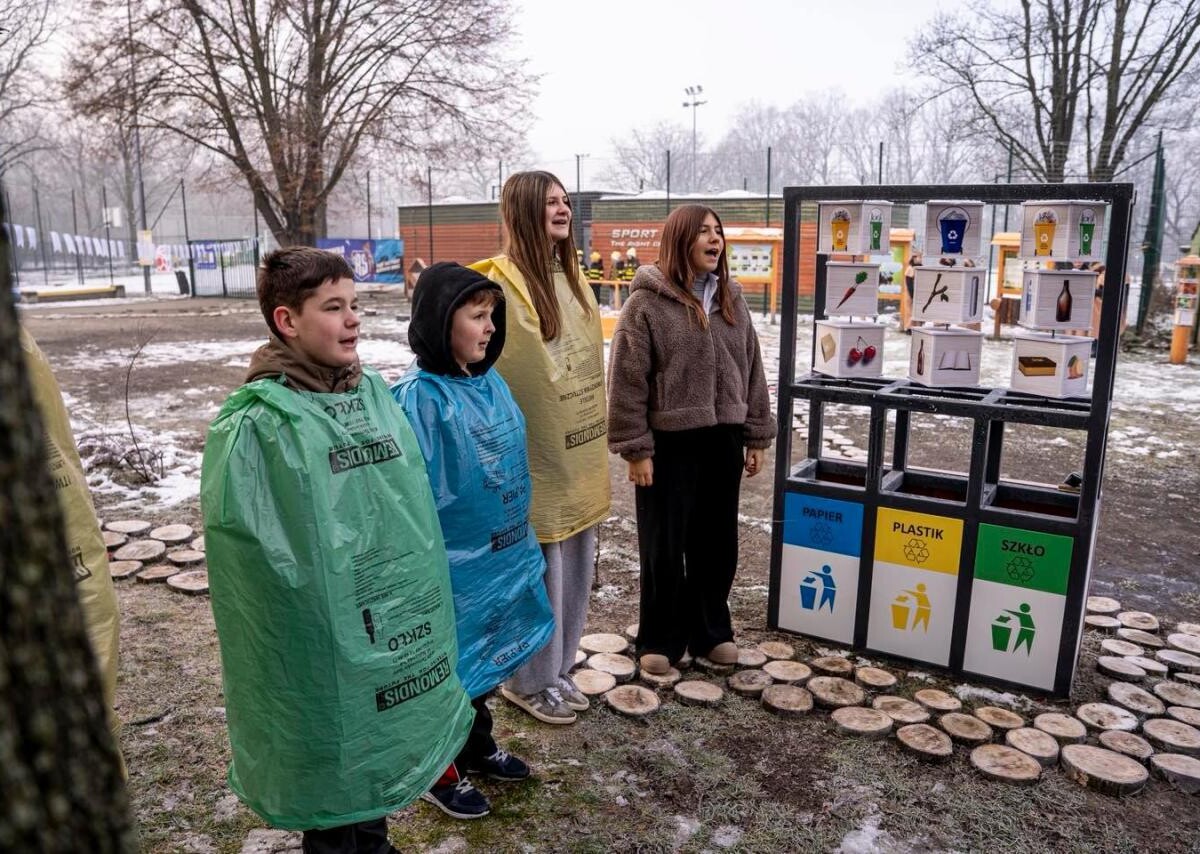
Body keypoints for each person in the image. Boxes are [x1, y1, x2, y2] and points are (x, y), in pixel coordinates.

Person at [201, 247, 473, 853]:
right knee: (331, 740)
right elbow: (259, 559)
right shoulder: (258, 422)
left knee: (374, 738)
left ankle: (373, 841)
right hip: (318, 629)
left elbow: (407, 509)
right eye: (332, 307)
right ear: (286, 321)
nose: (352, 319)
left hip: (380, 614)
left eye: (355, 305)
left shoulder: (369, 395)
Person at [392, 262, 555, 820]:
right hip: (451, 566)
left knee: (481, 660)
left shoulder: (491, 384)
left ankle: (476, 745)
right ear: (442, 322)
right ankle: (439, 770)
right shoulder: (418, 400)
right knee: (446, 669)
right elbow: (411, 495)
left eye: (493, 317)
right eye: (477, 316)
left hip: (496, 554)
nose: (489, 328)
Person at [606, 204, 774, 676]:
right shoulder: (646, 304)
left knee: (716, 544)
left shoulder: (732, 301)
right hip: (669, 446)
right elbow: (625, 380)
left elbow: (753, 369)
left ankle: (711, 632)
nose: (715, 239)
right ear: (681, 240)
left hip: (722, 440)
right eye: (703, 232)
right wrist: (635, 448)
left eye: (718, 232)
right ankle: (659, 637)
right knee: (664, 544)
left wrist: (756, 434)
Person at [470, 171, 611, 725]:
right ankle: (527, 680)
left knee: (576, 562)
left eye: (566, 200)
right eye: (550, 201)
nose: (562, 209)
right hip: (534, 460)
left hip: (576, 454)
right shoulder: (498, 284)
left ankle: (557, 669)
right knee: (539, 569)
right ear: (524, 211)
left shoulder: (572, 274)